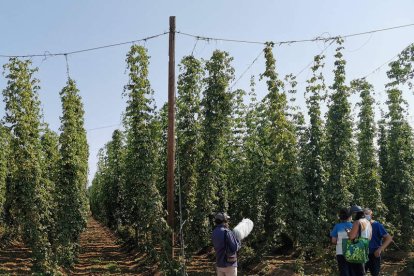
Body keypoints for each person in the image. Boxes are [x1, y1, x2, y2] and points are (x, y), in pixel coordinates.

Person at [363, 208, 393, 276]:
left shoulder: (377, 225)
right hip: (362, 254)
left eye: (367, 214)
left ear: (371, 215)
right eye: (364, 214)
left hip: (374, 254)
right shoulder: (359, 225)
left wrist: (379, 249)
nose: (365, 215)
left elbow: (388, 238)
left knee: (375, 274)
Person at [347, 205, 372, 276]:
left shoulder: (357, 222)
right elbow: (370, 237)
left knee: (356, 272)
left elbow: (351, 237)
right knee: (362, 270)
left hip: (357, 249)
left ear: (355, 213)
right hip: (365, 248)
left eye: (352, 214)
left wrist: (348, 232)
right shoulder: (368, 222)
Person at [330, 208, 353, 276]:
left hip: (340, 252)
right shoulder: (354, 225)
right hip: (352, 251)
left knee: (344, 272)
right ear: (349, 217)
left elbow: (333, 241)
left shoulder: (337, 226)